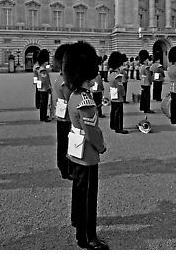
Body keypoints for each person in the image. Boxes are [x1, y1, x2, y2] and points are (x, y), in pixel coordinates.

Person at [63, 41, 109, 250]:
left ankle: (76, 220)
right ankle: (87, 236)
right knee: (88, 195)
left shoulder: (74, 96)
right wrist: (101, 147)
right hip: (87, 152)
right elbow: (93, 133)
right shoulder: (85, 101)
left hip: (75, 148)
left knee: (79, 189)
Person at [52, 43, 73, 180]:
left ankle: (64, 166)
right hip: (67, 116)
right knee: (66, 143)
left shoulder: (60, 77)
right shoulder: (65, 80)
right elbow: (70, 99)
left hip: (62, 114)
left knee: (62, 142)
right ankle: (66, 169)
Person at [108, 51, 128, 134]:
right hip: (118, 96)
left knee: (113, 110)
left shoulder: (111, 74)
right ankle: (118, 127)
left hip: (113, 94)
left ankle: (112, 125)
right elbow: (120, 87)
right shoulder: (117, 76)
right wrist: (123, 94)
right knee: (118, 112)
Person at [37, 49, 52, 122]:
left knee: (43, 103)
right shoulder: (43, 70)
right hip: (44, 89)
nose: (47, 63)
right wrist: (48, 87)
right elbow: (44, 80)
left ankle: (43, 116)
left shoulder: (42, 69)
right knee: (44, 103)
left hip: (42, 88)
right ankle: (43, 117)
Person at [138, 49, 154, 114]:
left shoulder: (141, 66)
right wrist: (151, 81)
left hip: (142, 82)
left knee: (143, 96)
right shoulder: (146, 67)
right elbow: (149, 76)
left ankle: (142, 107)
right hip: (147, 83)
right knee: (147, 97)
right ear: (145, 59)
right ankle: (147, 109)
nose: (148, 60)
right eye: (147, 59)